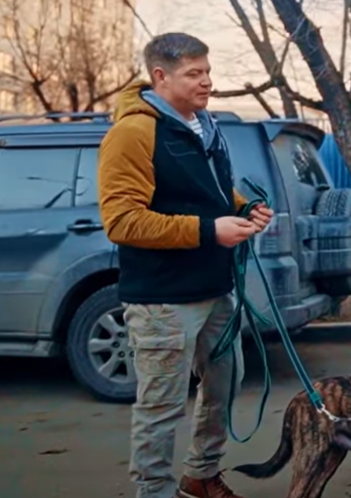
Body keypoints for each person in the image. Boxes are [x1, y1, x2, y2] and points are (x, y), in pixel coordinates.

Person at [97, 32, 274, 498]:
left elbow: (209, 192)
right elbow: (122, 221)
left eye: (207, 72)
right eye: (194, 74)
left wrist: (243, 208)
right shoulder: (133, 133)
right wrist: (209, 230)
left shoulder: (203, 125)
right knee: (161, 406)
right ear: (161, 76)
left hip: (215, 289)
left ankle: (200, 475)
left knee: (226, 385)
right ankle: (154, 490)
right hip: (162, 299)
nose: (207, 82)